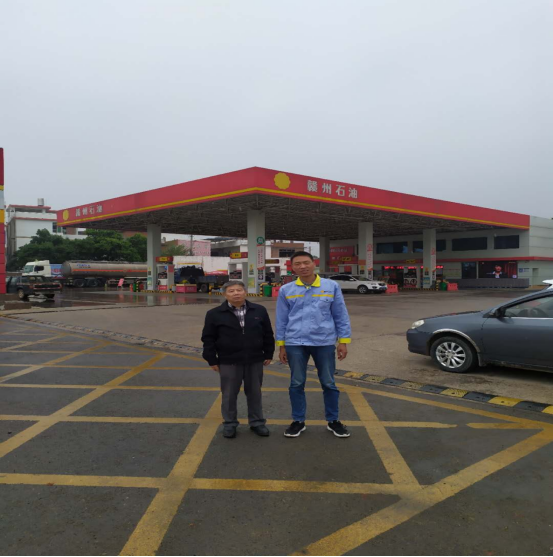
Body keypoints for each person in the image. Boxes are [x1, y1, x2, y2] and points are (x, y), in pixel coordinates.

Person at [276, 251, 352, 439]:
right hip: (295, 342)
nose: (302, 267)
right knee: (296, 383)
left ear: (314, 264)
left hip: (323, 342)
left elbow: (340, 315)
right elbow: (281, 319)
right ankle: (298, 421)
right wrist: (282, 345)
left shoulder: (331, 286)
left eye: (306, 262)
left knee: (328, 382)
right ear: (292, 268)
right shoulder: (286, 290)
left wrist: (343, 341)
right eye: (298, 264)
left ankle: (333, 420)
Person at [201, 281, 275, 438]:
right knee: (229, 394)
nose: (236, 293)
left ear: (245, 292)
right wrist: (211, 359)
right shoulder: (214, 314)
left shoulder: (259, 310)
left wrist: (269, 353)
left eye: (239, 290)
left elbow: (268, 333)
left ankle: (257, 422)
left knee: (255, 393)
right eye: (231, 291)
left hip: (254, 359)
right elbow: (208, 338)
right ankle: (230, 424)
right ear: (224, 294)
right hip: (229, 360)